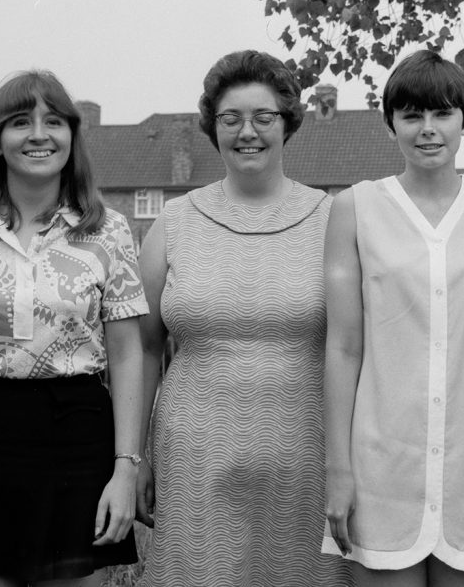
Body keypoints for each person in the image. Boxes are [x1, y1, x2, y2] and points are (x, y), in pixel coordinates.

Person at [0, 70, 147, 586]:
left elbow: (128, 356)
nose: (39, 134)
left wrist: (125, 469)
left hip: (77, 435)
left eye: (53, 121)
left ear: (71, 136)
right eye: (21, 122)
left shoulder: (109, 230)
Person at [322, 50, 464, 586]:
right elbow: (343, 347)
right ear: (391, 123)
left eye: (442, 114)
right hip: (381, 461)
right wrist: (339, 469)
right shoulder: (355, 207)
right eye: (412, 115)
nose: (427, 130)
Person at [135, 50, 352, 586]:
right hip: (193, 454)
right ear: (213, 127)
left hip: (307, 452)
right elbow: (141, 350)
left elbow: (354, 347)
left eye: (263, 117)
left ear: (288, 123)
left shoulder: (334, 220)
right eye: (231, 119)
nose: (247, 132)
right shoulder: (174, 222)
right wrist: (135, 455)